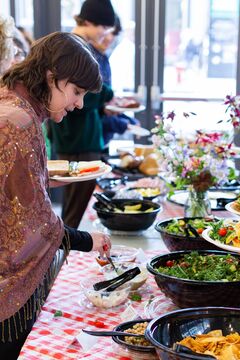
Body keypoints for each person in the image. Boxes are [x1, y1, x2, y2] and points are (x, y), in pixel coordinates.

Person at [0, 32, 112, 359]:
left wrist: (42, 177)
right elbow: (33, 223)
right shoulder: (19, 120)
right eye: (76, 92)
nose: (79, 103)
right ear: (52, 78)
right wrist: (87, 240)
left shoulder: (15, 102)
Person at [49, 0, 116, 228]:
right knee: (73, 210)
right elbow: (78, 97)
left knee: (73, 207)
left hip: (79, 137)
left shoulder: (78, 44)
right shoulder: (73, 47)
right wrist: (108, 96)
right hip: (77, 138)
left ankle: (64, 253)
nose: (106, 33)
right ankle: (63, 255)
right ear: (87, 21)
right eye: (103, 27)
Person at [91, 15, 140, 146]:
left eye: (114, 33)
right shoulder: (88, 58)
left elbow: (105, 104)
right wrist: (124, 124)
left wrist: (127, 120)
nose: (110, 38)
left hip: (101, 138)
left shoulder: (103, 57)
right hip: (86, 141)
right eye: (107, 31)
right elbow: (91, 107)